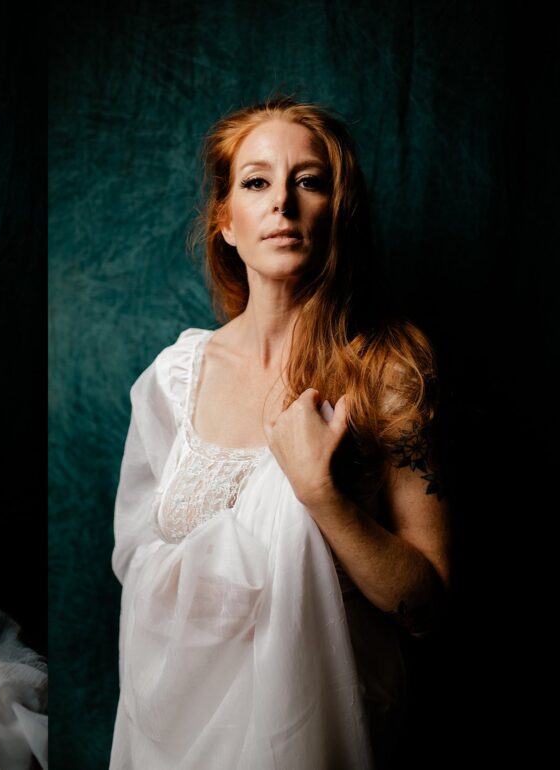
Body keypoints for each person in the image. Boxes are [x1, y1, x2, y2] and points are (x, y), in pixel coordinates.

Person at [109, 96, 452, 769]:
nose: (282, 204)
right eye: (257, 182)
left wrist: (321, 496)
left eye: (309, 181)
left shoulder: (388, 372)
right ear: (225, 221)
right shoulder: (171, 380)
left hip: (318, 737)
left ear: (339, 212)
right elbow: (136, 562)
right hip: (171, 738)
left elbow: (428, 605)